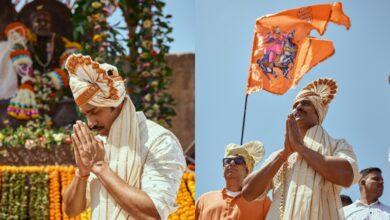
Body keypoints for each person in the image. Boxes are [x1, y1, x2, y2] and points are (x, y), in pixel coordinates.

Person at [62, 54, 186, 219]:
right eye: (86, 114)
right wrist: (82, 173)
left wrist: (100, 167)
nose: (90, 123)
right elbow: (71, 210)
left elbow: (153, 214)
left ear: (116, 103)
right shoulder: (98, 145)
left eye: (94, 112)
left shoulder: (159, 141)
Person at [242, 78, 359, 220]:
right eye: (295, 105)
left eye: (306, 103)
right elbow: (248, 192)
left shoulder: (337, 145)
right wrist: (284, 154)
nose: (298, 107)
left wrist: (301, 148)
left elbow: (346, 176)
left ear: (318, 114)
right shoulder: (279, 155)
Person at [196, 141, 271, 220]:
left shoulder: (263, 202)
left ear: (247, 170)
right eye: (227, 161)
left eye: (238, 160)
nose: (231, 163)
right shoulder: (204, 200)